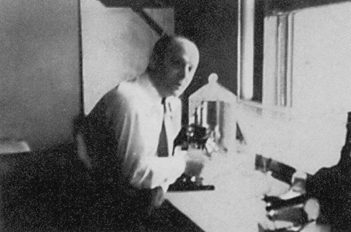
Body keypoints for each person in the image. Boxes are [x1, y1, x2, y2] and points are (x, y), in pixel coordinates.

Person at [79, 35, 203, 230]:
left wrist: (163, 185)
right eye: (177, 63)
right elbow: (135, 172)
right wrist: (183, 163)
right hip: (106, 215)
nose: (184, 75)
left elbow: (163, 159)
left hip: (142, 207)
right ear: (154, 60)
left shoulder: (172, 102)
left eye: (191, 68)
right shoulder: (127, 100)